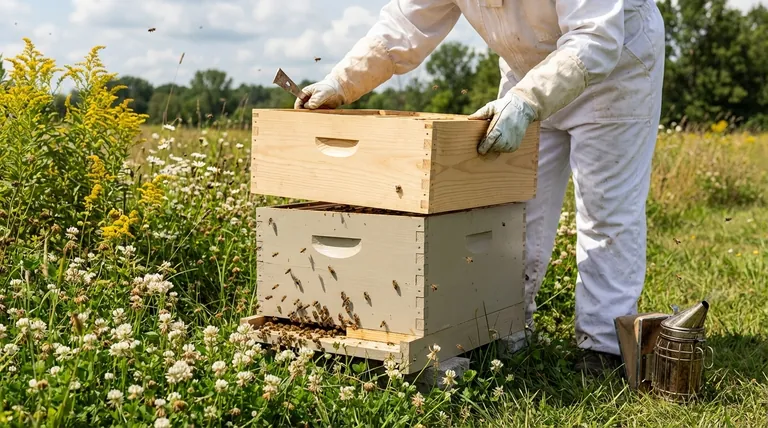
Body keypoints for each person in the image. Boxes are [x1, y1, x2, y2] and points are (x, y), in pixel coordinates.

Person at [294, 0, 665, 377]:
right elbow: (404, 25)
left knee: (606, 212)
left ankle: (603, 346)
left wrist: (527, 100)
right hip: (527, 74)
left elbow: (596, 36)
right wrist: (340, 82)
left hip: (614, 73)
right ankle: (506, 326)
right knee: (512, 208)